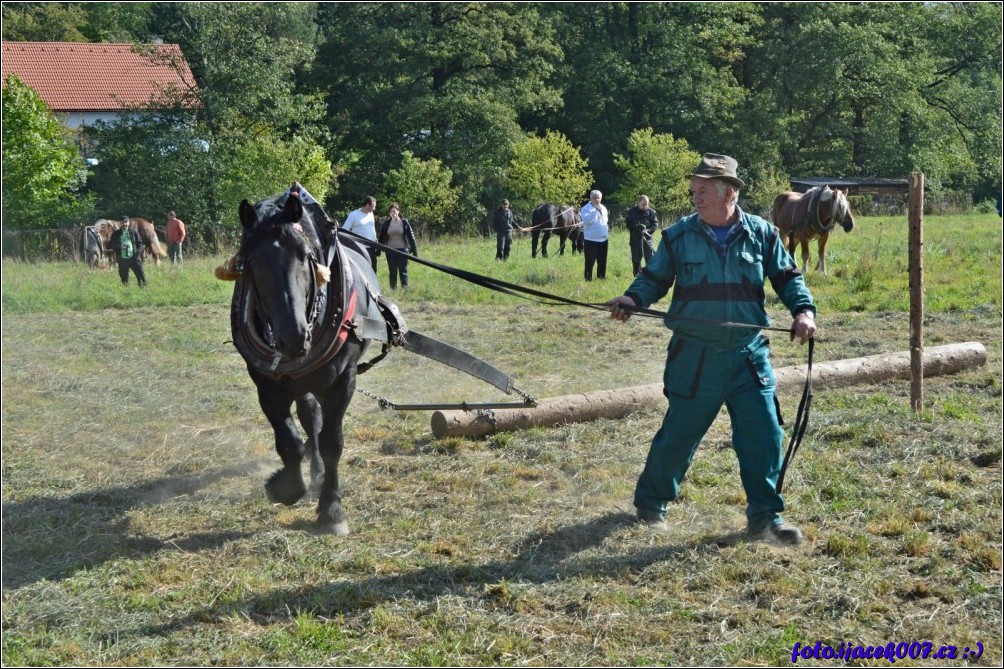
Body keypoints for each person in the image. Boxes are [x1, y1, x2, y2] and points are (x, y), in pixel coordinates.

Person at [607, 153, 817, 546]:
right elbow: (652, 278)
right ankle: (651, 505)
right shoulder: (678, 236)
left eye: (703, 190)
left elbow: (789, 278)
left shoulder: (762, 234)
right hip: (695, 356)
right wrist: (633, 300)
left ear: (729, 193)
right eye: (694, 190)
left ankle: (765, 519)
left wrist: (803, 311)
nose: (696, 197)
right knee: (679, 435)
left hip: (747, 356)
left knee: (764, 434)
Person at [377, 203, 419, 289]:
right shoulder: (386, 223)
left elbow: (411, 237)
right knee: (392, 271)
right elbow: (381, 237)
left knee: (403, 271)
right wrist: (378, 251)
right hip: (390, 251)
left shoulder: (404, 222)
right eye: (391, 211)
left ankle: (405, 289)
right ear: (389, 213)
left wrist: (415, 252)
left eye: (394, 211)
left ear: (398, 212)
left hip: (403, 250)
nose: (393, 213)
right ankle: (393, 289)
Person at [341, 196, 379, 270]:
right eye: (373, 206)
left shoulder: (371, 214)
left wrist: (376, 240)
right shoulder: (354, 214)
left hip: (371, 247)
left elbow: (372, 228)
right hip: (360, 248)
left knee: (373, 269)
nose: (374, 209)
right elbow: (344, 230)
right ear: (367, 205)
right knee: (362, 269)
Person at [626, 195, 659, 276]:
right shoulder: (631, 211)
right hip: (635, 240)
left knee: (650, 260)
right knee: (636, 260)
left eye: (647, 204)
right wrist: (637, 226)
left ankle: (650, 277)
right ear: (638, 203)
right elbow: (628, 224)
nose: (645, 206)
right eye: (643, 204)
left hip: (647, 240)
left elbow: (655, 224)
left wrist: (648, 230)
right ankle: (637, 277)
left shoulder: (652, 212)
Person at [109, 216, 147, 287]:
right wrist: (119, 246)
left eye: (126, 222)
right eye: (123, 222)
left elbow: (140, 243)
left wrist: (137, 253)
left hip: (134, 259)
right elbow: (111, 245)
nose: (124, 224)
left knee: (141, 277)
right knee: (124, 280)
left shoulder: (134, 232)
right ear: (120, 223)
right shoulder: (116, 234)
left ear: (128, 223)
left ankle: (144, 290)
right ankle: (126, 292)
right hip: (122, 260)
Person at [580, 190, 610, 280]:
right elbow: (587, 221)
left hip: (603, 239)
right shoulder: (586, 208)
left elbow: (605, 221)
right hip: (591, 240)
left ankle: (601, 278)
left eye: (598, 198)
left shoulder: (603, 208)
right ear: (591, 198)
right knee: (590, 261)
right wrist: (595, 211)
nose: (597, 200)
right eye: (595, 198)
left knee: (602, 261)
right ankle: (588, 279)